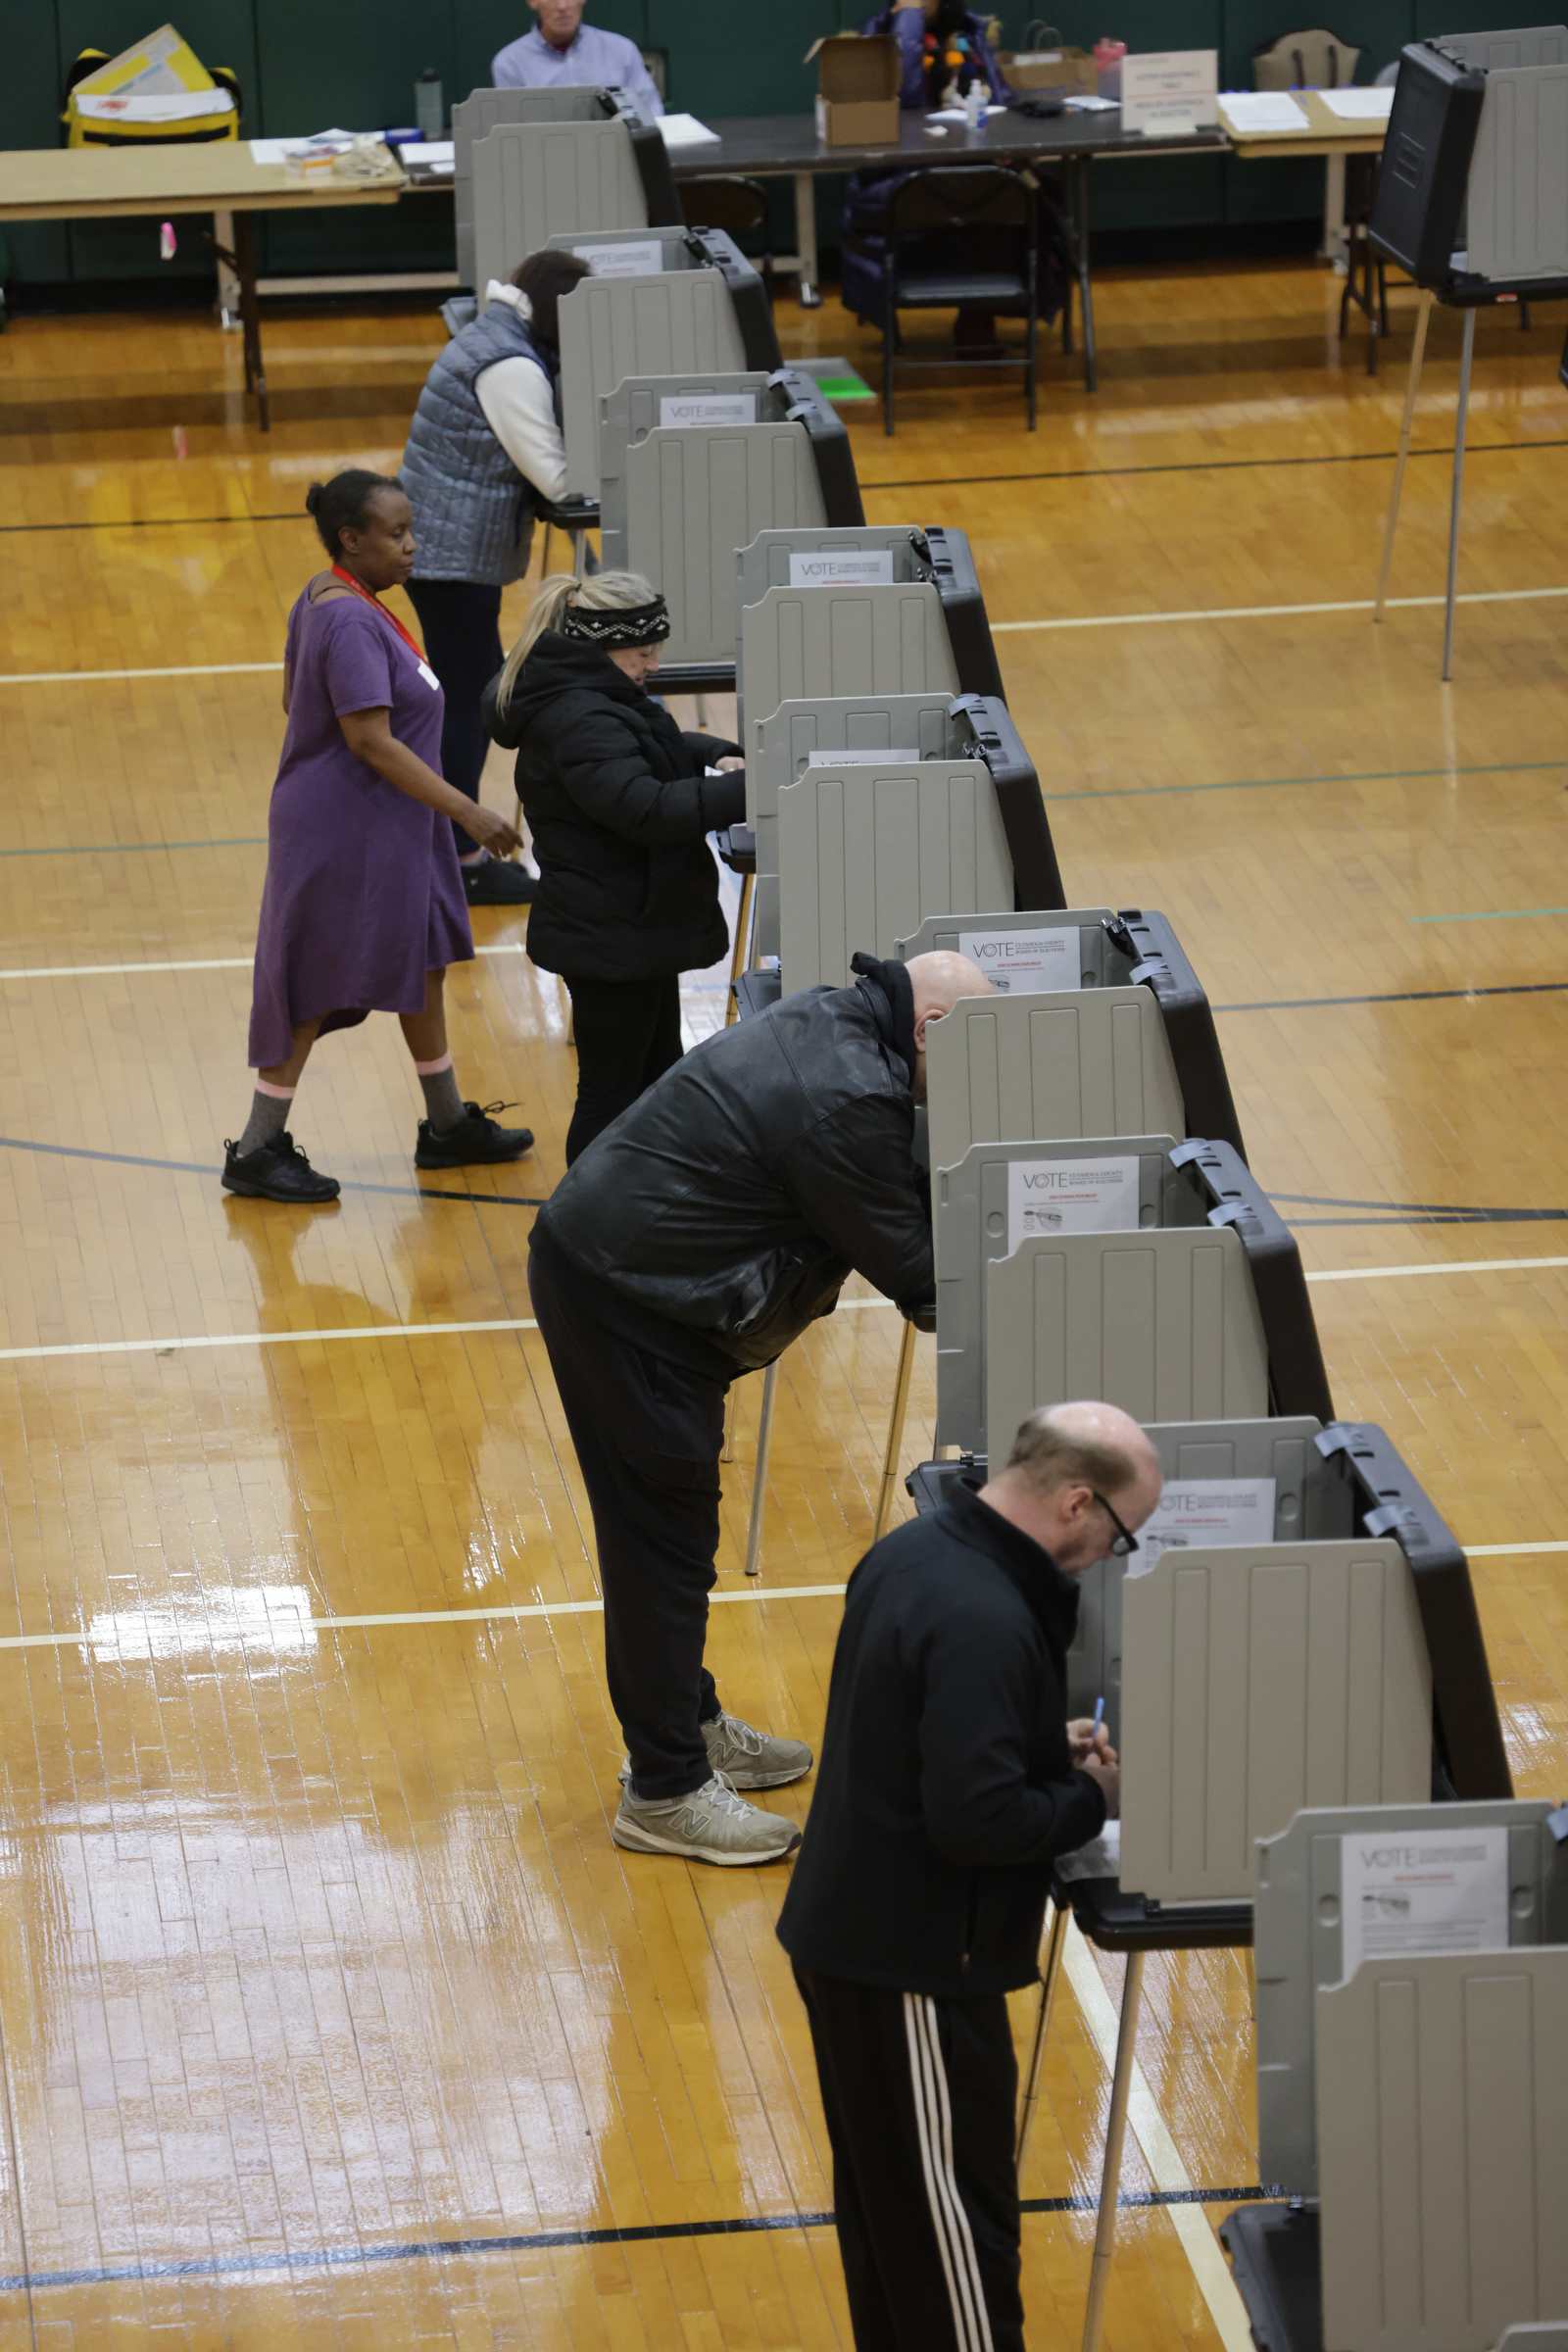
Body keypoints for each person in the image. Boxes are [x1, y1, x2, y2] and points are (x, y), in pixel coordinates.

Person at [526, 949, 994, 1865]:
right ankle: (662, 1790)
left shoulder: (851, 1023)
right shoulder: (849, 1098)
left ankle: (687, 1726)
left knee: (664, 1536)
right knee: (661, 1545)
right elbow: (922, 1278)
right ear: (932, 1026)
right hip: (631, 1308)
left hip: (635, 1281)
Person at [777, 1402, 1164, 2352]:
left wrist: (1036, 1744)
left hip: (863, 1943)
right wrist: (1093, 1798)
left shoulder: (920, 1554)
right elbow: (977, 1820)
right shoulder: (986, 1614)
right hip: (911, 1969)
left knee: (897, 2244)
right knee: (957, 2266)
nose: (1114, 1556)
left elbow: (920, 1738)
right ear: (1077, 1502)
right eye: (1122, 1536)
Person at [222, 471, 534, 1206]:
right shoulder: (351, 621)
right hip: (346, 830)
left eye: (410, 529)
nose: (412, 546)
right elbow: (369, 739)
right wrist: (468, 810)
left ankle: (448, 1123)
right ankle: (258, 1147)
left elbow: (297, 699)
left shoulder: (332, 595)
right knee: (316, 984)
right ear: (351, 539)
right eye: (395, 535)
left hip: (388, 822)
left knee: (422, 959)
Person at [486, 570, 746, 1165]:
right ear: (601, 645)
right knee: (610, 1096)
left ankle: (636, 1217)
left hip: (629, 925)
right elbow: (645, 808)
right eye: (643, 653)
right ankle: (585, 1234)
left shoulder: (593, 694)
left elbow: (647, 750)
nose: (653, 666)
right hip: (607, 934)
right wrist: (748, 792)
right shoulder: (582, 716)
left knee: (657, 1076)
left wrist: (714, 754)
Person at [400, 248, 592, 909]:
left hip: (445, 551)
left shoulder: (497, 335)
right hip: (449, 559)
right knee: (466, 701)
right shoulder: (510, 366)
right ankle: (459, 855)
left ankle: (452, 847)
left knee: (469, 691)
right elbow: (558, 477)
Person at [492, 0, 664, 115]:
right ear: (533, 2)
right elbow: (514, 132)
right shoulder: (510, 63)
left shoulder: (621, 50)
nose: (562, 6)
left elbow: (652, 114)